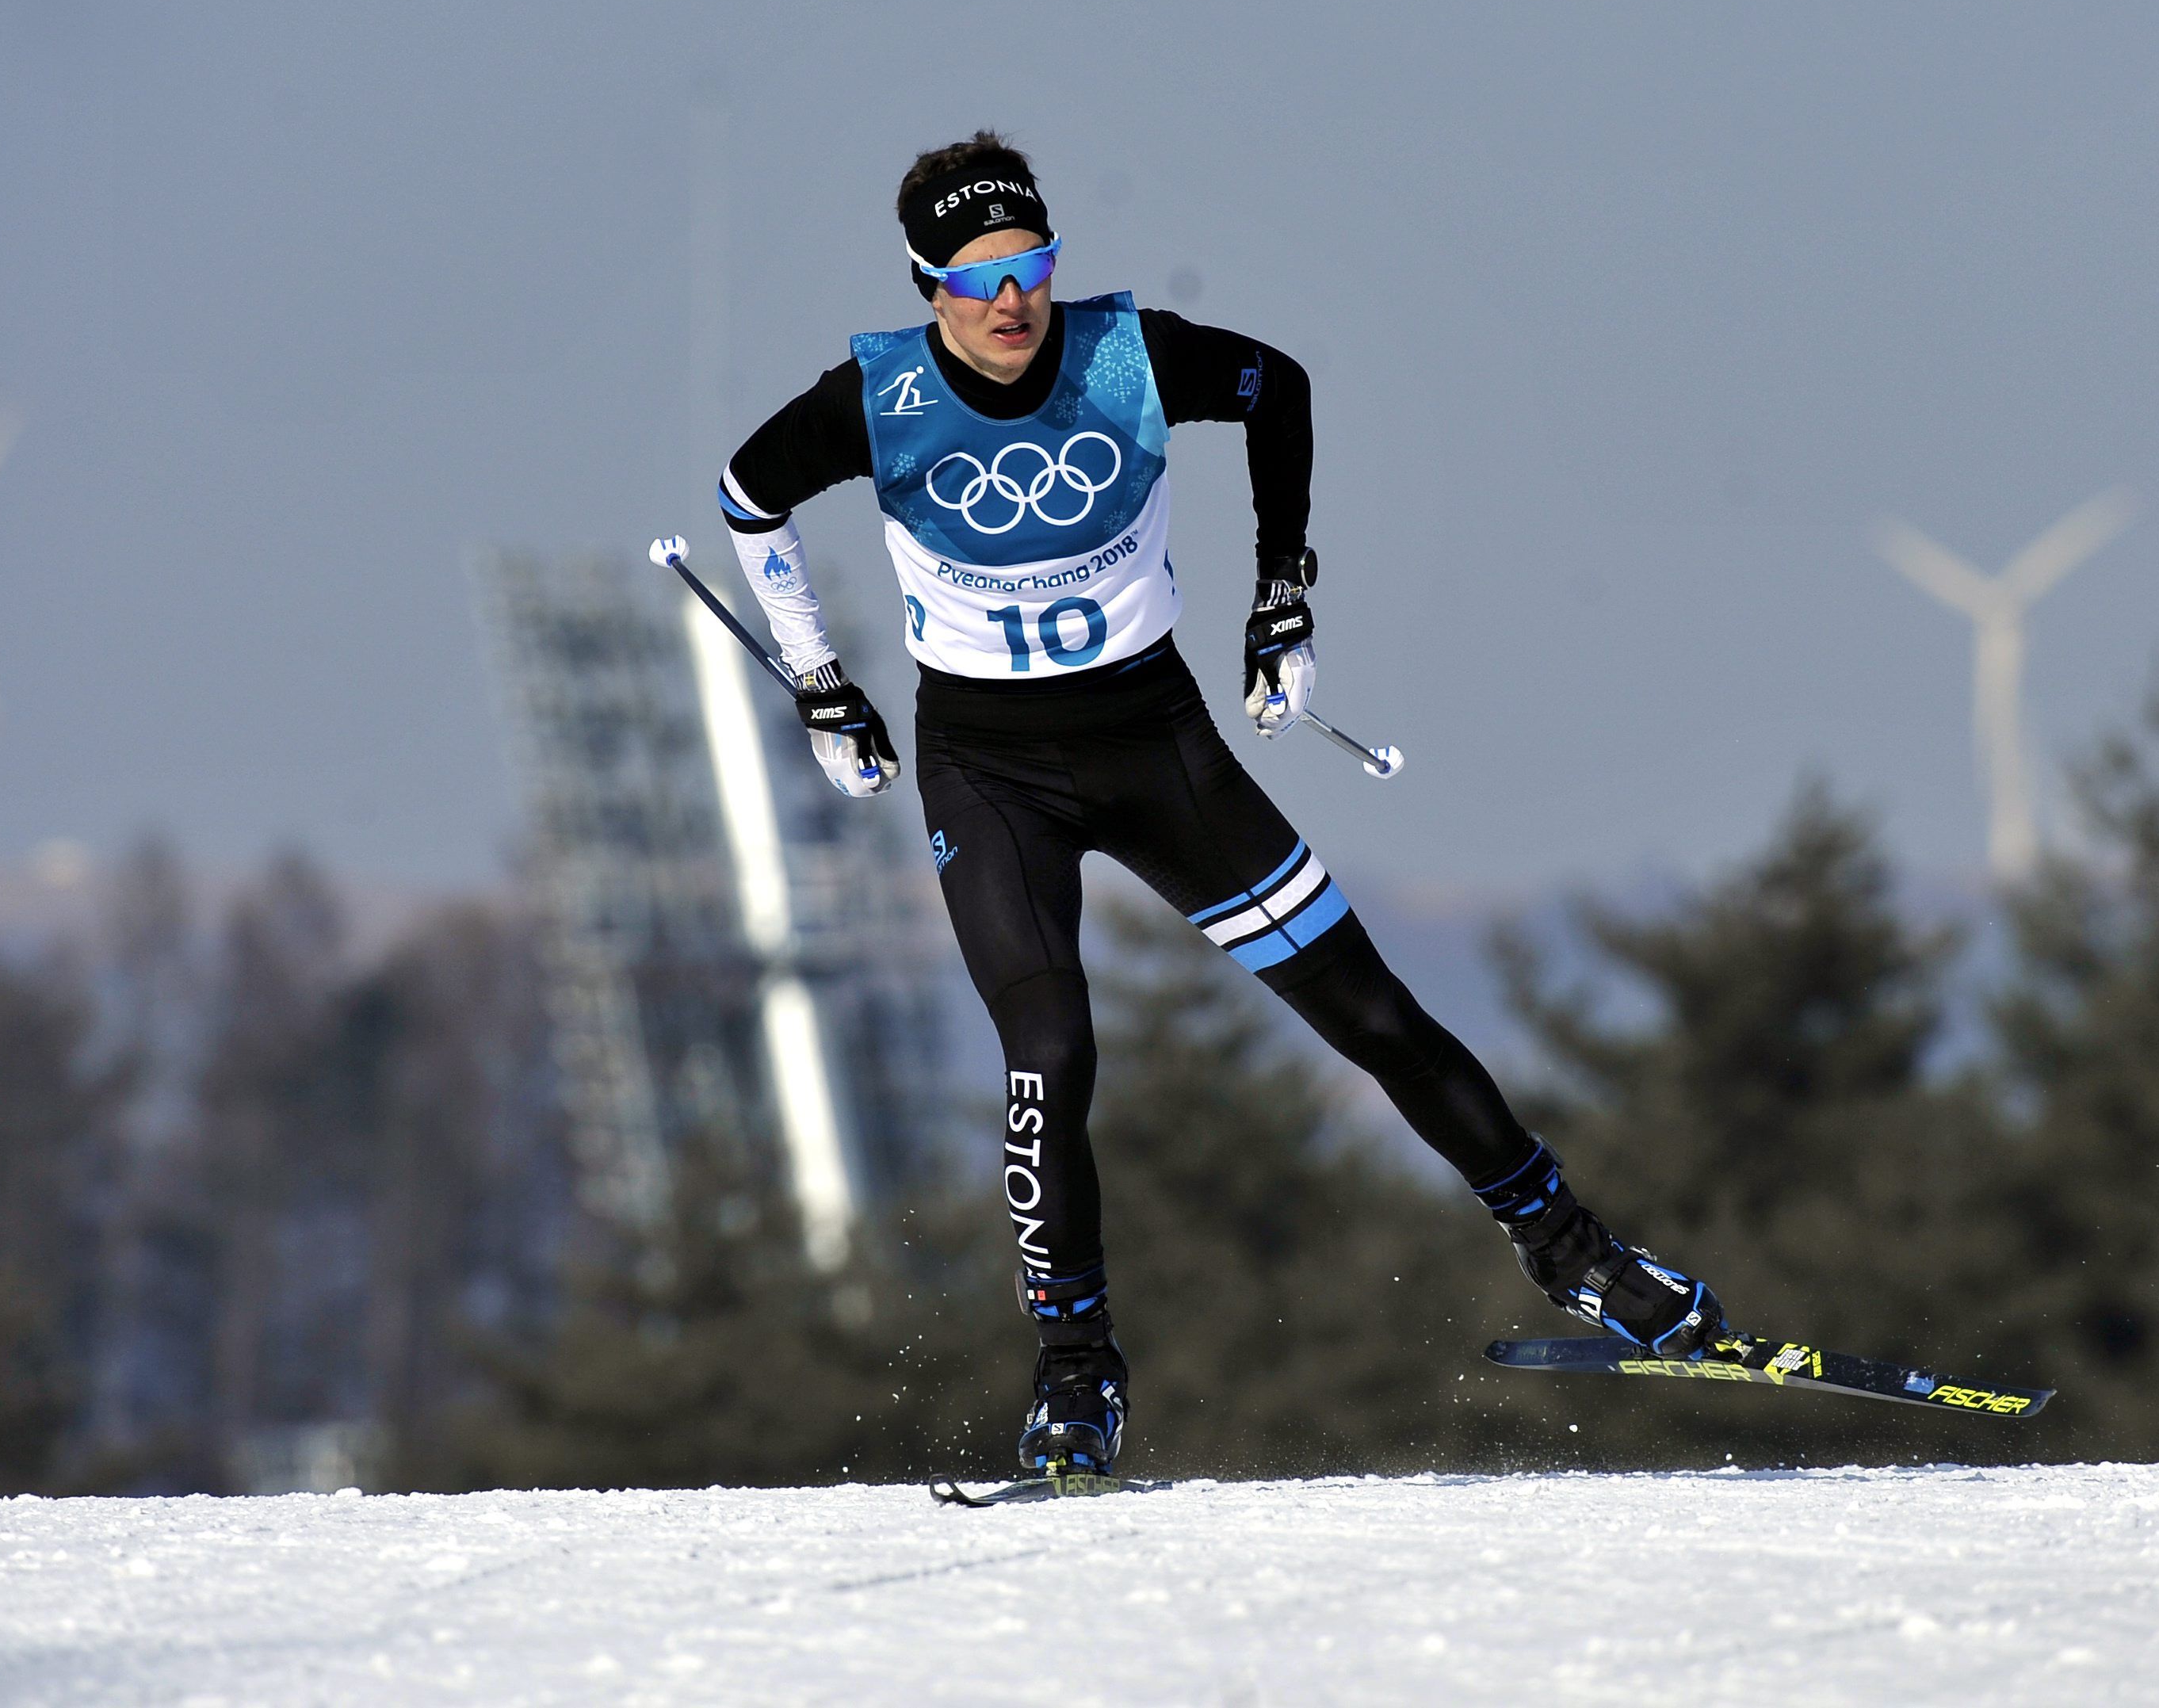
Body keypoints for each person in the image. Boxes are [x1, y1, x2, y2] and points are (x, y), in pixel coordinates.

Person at [715, 132, 1723, 1479]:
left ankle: (1575, 1252)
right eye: (975, 277)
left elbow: (1277, 386)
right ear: (925, 287)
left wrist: (1282, 591)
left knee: (1373, 1015)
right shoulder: (876, 397)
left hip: (1157, 748)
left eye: (1032, 265)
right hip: (991, 773)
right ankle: (1076, 1371)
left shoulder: (1126, 357)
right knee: (1051, 1054)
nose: (1011, 300)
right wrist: (820, 680)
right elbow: (747, 495)